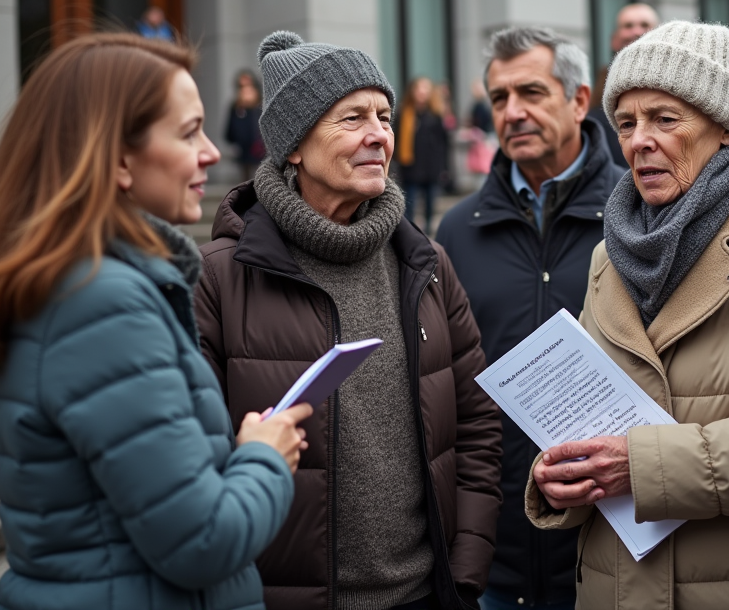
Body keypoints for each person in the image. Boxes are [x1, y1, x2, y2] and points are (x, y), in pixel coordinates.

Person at [0, 33, 309, 610]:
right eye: (186, 131)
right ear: (118, 158)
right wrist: (264, 457)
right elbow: (201, 539)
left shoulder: (73, 282)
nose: (211, 153)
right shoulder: (100, 302)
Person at [195, 31, 502, 610]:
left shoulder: (425, 263)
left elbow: (477, 427)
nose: (379, 136)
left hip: (426, 596)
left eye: (384, 116)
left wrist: (464, 572)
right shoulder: (218, 278)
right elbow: (196, 461)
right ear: (292, 146)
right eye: (352, 117)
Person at [526, 21, 729, 609]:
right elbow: (587, 418)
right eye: (627, 124)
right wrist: (561, 477)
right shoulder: (610, 253)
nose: (639, 141)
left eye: (665, 119)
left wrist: (640, 466)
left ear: (726, 128)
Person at [437, 27, 625, 610]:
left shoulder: (638, 215)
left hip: (609, 545)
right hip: (497, 557)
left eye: (532, 93)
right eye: (499, 98)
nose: (513, 112)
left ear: (577, 100)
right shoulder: (457, 231)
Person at [588, 3, 660, 166]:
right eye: (628, 26)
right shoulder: (596, 104)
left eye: (644, 25)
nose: (636, 31)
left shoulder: (680, 90)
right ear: (614, 40)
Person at [397, 76, 450, 232]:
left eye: (425, 88)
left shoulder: (435, 115)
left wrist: (444, 167)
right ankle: (410, 232)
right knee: (409, 204)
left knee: (429, 203)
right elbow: (396, 138)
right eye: (419, 88)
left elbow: (444, 144)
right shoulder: (404, 114)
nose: (422, 92)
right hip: (410, 166)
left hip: (431, 166)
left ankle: (426, 233)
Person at [226, 68, 266, 182]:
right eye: (242, 87)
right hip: (244, 155)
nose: (246, 91)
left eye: (249, 87)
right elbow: (230, 134)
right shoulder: (236, 108)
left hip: (262, 153)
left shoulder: (262, 107)